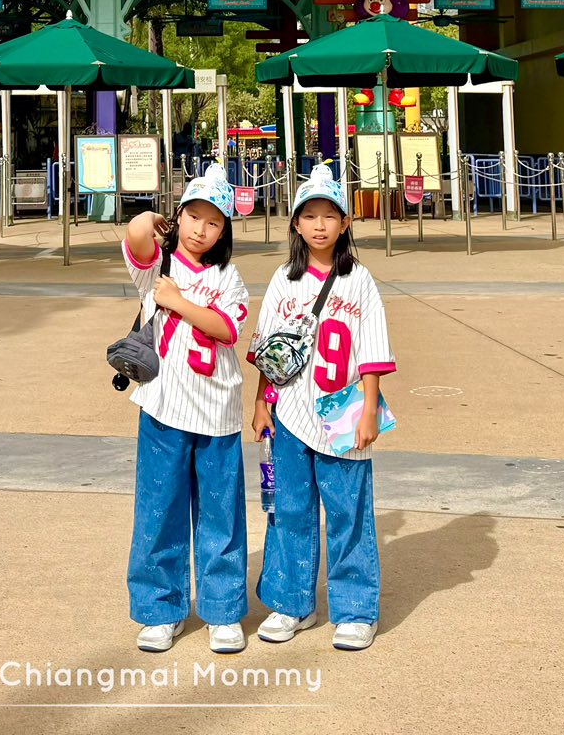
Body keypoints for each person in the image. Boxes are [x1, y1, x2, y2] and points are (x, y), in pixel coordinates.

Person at [249, 162, 395, 651]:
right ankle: (292, 602)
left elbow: (372, 348)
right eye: (309, 215)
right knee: (290, 508)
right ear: (295, 223)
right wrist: (262, 402)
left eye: (329, 215)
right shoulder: (283, 280)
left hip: (344, 410)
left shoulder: (359, 280)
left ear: (345, 223)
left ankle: (355, 609)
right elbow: (268, 349)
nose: (319, 225)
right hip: (291, 409)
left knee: (349, 511)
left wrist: (370, 408)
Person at [120, 163, 251, 655]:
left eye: (213, 222)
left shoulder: (229, 277)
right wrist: (149, 219)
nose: (201, 229)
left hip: (218, 411)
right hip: (163, 407)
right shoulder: (159, 265)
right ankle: (160, 610)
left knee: (221, 514)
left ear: (224, 231)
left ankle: (222, 610)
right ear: (179, 217)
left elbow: (227, 330)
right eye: (193, 217)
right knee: (159, 510)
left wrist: (176, 302)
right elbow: (136, 237)